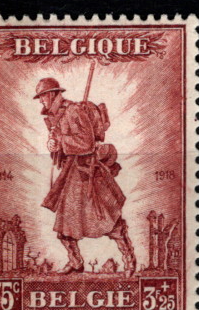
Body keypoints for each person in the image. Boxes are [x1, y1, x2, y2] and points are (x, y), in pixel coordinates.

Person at [35, 76, 137, 274]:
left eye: (42, 96)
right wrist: (54, 146)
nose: (40, 101)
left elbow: (87, 144)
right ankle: (75, 262)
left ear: (52, 95)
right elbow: (65, 147)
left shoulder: (74, 110)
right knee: (64, 225)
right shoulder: (57, 116)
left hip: (88, 173)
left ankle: (129, 260)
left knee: (108, 220)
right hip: (71, 174)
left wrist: (61, 140)